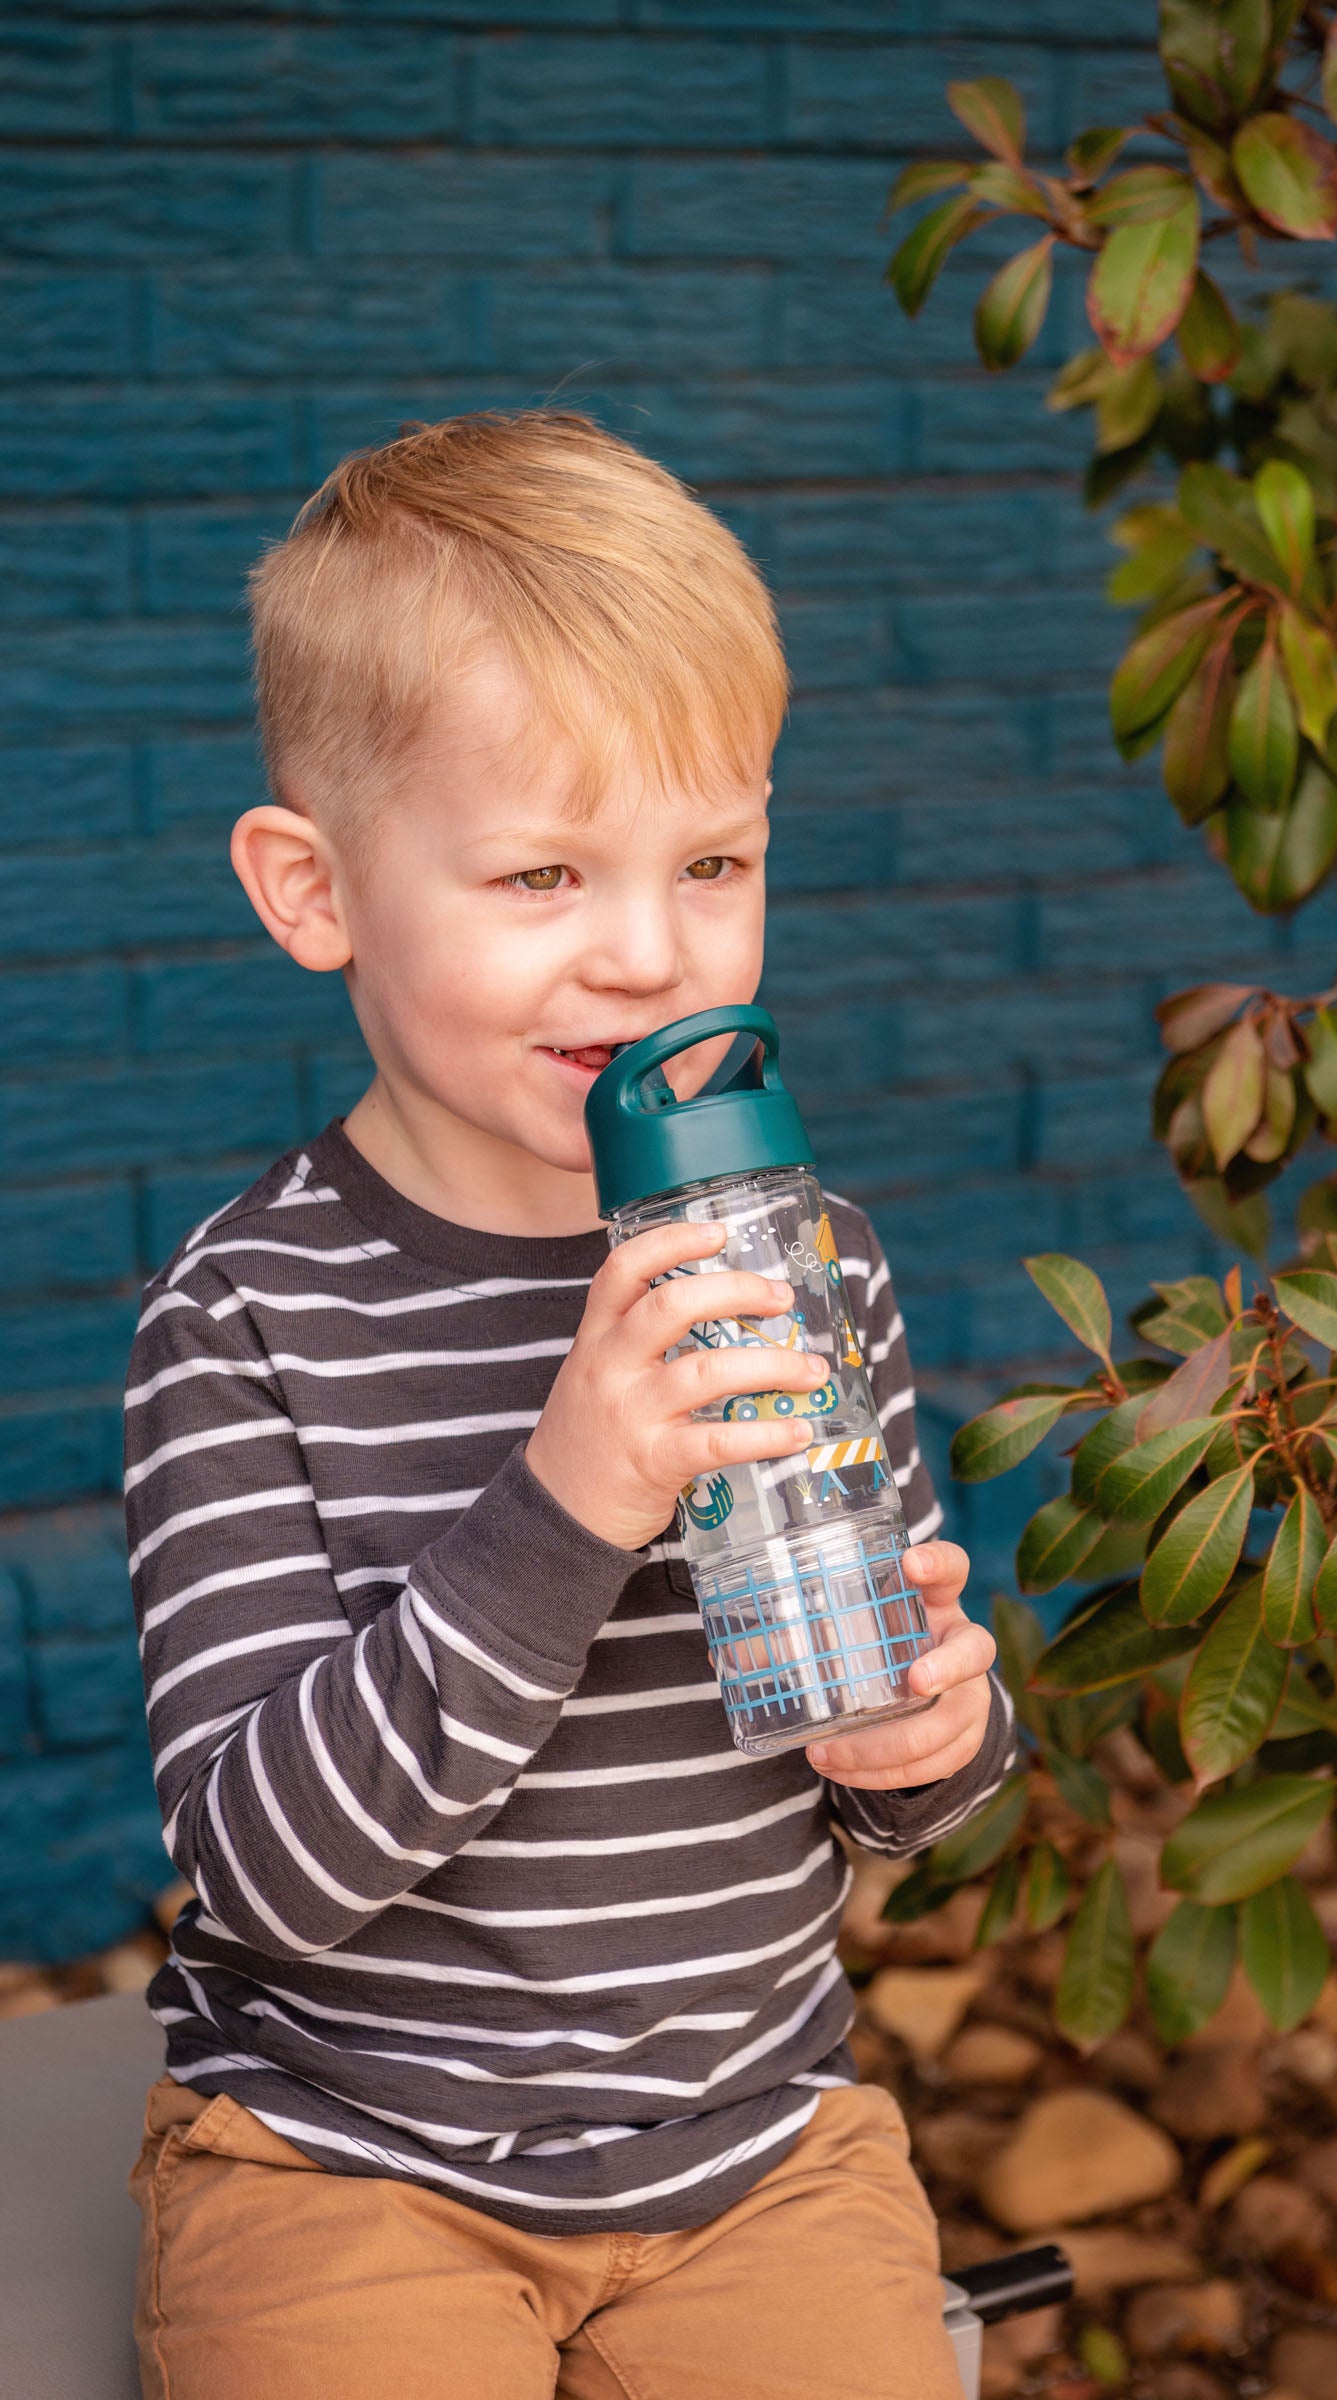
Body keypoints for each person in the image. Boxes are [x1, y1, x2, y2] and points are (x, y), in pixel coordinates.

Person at [122, 411, 1013, 2400]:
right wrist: (566, 1494)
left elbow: (875, 1780)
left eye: (711, 860)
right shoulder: (247, 1319)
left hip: (754, 2146)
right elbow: (265, 1869)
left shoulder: (801, 1262)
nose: (644, 951)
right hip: (355, 2165)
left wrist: (926, 1726)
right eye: (540, 872)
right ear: (315, 889)